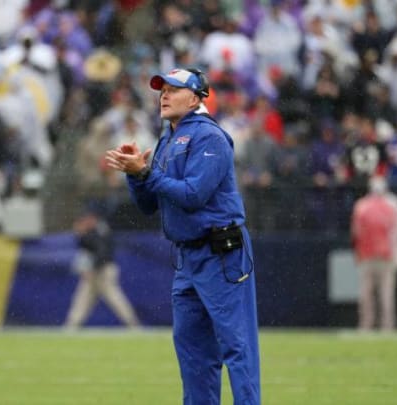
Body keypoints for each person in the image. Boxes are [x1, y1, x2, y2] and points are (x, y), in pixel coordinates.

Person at [105, 68, 260, 404]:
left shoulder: (210, 136)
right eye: (162, 89)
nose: (164, 95)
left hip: (222, 255)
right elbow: (148, 205)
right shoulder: (168, 138)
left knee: (237, 347)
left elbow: (193, 195)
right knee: (193, 354)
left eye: (173, 89)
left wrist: (146, 173)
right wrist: (135, 175)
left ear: (195, 98)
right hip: (187, 258)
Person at [64, 208, 140, 329]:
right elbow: (86, 247)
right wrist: (80, 234)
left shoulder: (100, 230)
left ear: (93, 219)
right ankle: (72, 325)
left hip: (103, 270)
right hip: (96, 270)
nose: (85, 222)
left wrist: (92, 268)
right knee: (83, 298)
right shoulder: (94, 230)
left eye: (87, 219)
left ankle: (133, 324)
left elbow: (102, 253)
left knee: (114, 298)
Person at [351, 175, 397, 331]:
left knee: (373, 294)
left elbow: (356, 232)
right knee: (382, 294)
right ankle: (382, 325)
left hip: (375, 255)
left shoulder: (363, 205)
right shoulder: (391, 205)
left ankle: (370, 325)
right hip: (381, 255)